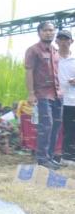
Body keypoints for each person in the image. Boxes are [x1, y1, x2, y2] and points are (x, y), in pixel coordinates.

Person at [25, 21, 63, 169]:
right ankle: (42, 158)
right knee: (46, 126)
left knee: (56, 126)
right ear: (39, 32)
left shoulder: (55, 51)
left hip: (57, 94)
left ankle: (50, 156)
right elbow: (29, 72)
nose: (49, 33)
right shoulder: (33, 50)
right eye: (46, 30)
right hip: (42, 94)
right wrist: (31, 93)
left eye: (51, 30)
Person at [57, 29, 75, 164]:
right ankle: (51, 155)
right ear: (56, 41)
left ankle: (67, 156)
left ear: (71, 41)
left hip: (72, 100)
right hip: (54, 99)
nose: (63, 42)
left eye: (66, 39)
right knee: (53, 128)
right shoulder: (52, 58)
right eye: (61, 39)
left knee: (70, 128)